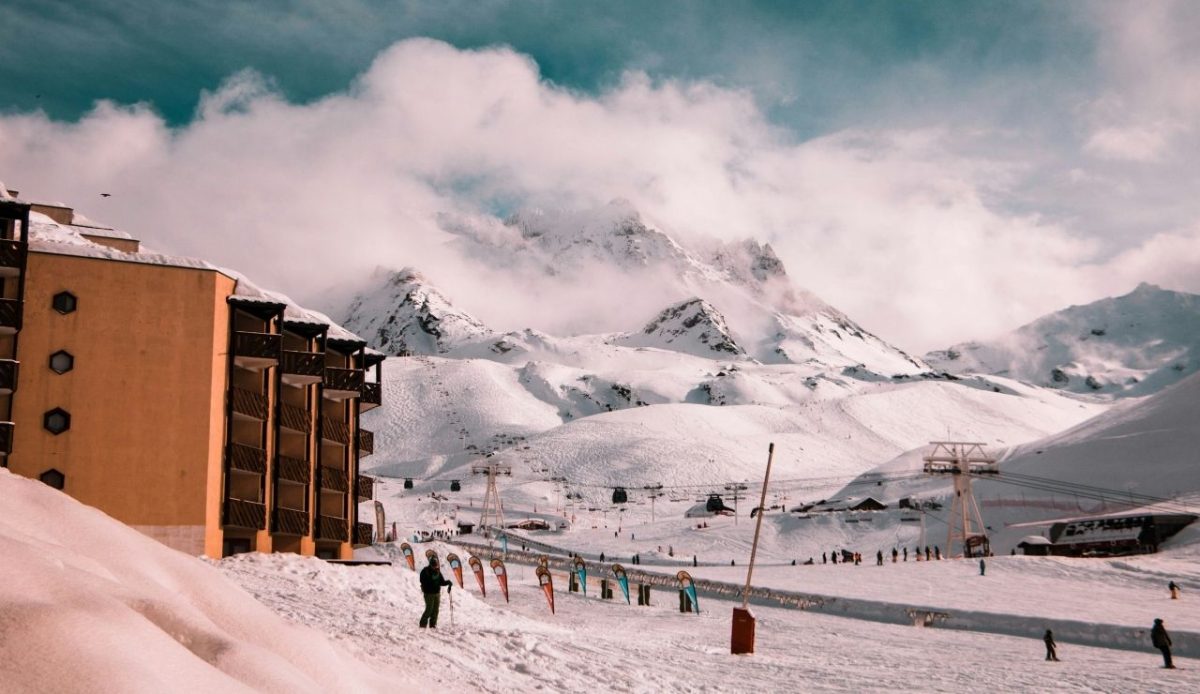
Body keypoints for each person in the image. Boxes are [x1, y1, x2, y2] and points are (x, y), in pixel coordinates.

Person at [418, 556, 452, 628]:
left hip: (437, 594)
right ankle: (422, 624)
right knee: (429, 610)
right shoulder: (425, 571)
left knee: (435, 610)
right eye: (434, 565)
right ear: (430, 565)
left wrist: (448, 582)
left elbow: (442, 582)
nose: (435, 567)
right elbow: (422, 581)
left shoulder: (438, 572)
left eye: (436, 565)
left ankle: (433, 625)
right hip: (429, 593)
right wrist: (430, 582)